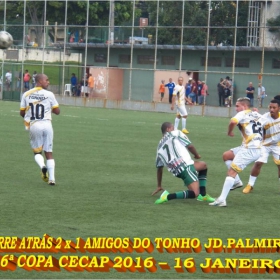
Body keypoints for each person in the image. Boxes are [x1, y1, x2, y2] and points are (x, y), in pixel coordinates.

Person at [209, 97, 263, 207]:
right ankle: (237, 182)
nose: (236, 108)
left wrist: (229, 132)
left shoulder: (243, 113)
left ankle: (222, 199)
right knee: (227, 156)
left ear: (244, 106)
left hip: (250, 149)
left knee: (231, 172)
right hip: (254, 147)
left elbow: (233, 121)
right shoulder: (257, 114)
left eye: (237, 106)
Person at [153, 122, 215, 204]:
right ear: (168, 129)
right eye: (173, 127)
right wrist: (196, 155)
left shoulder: (159, 148)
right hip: (185, 166)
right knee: (194, 193)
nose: (174, 129)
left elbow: (159, 168)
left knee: (203, 165)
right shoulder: (175, 133)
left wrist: (159, 185)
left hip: (176, 171)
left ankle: (202, 195)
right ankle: (167, 196)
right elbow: (190, 146)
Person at [19, 74, 60, 186]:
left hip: (35, 125)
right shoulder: (49, 94)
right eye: (46, 80)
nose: (48, 82)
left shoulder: (26, 94)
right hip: (47, 124)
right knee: (49, 153)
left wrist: (31, 115)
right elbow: (57, 111)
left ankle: (42, 166)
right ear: (40, 81)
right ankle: (52, 179)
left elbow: (22, 112)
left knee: (37, 152)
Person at [243, 99, 280, 193]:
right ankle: (250, 185)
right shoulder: (264, 118)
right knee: (258, 163)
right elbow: (254, 124)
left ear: (278, 108)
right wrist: (254, 114)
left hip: (277, 145)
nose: (271, 109)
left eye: (274, 107)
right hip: (264, 145)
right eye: (270, 107)